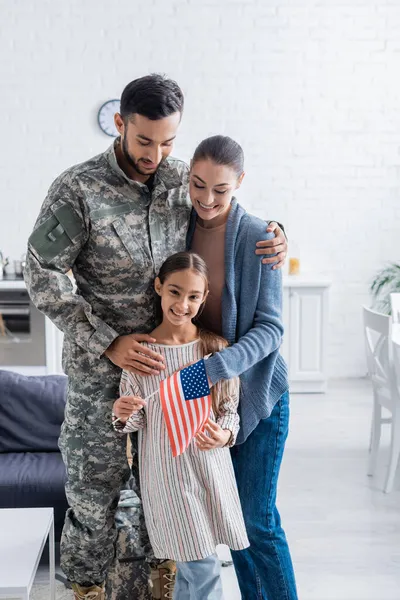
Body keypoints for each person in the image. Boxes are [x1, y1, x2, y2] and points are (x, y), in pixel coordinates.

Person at [24, 74, 288, 600]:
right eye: (145, 140)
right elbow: (41, 273)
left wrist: (275, 232)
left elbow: (223, 214)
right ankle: (86, 590)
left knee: (162, 501)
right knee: (94, 499)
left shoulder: (177, 180)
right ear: (120, 124)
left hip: (173, 374)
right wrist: (106, 340)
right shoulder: (77, 189)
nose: (156, 154)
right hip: (103, 376)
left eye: (168, 142)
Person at [184, 135, 298, 599]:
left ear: (240, 183)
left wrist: (213, 370)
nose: (208, 200)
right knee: (230, 522)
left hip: (258, 393)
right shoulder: (178, 224)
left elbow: (271, 329)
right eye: (197, 185)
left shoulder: (259, 237)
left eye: (221, 190)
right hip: (208, 401)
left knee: (256, 519)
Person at [113, 251, 249, 600]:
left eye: (192, 296)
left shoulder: (214, 350)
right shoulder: (141, 354)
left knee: (192, 570)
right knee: (200, 565)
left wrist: (224, 434)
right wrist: (123, 411)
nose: (182, 304)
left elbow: (229, 409)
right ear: (159, 287)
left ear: (204, 298)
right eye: (175, 292)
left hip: (208, 469)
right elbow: (137, 419)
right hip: (167, 476)